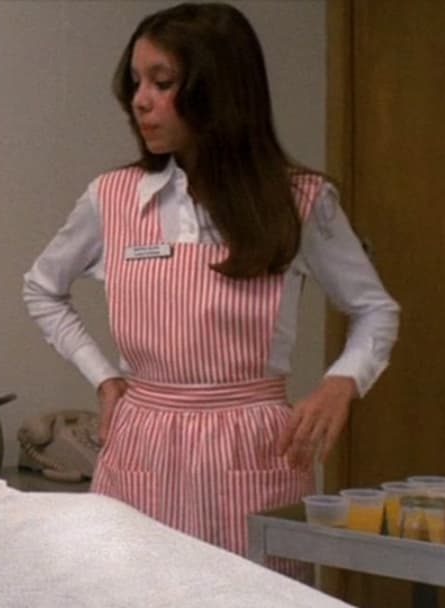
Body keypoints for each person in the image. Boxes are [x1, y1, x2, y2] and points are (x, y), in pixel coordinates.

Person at [21, 2, 399, 578]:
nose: (140, 100)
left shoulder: (300, 202)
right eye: (136, 82)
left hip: (255, 447)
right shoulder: (113, 198)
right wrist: (104, 377)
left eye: (162, 83)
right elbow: (42, 289)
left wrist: (341, 382)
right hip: (143, 442)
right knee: (136, 606)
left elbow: (375, 310)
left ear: (219, 91)